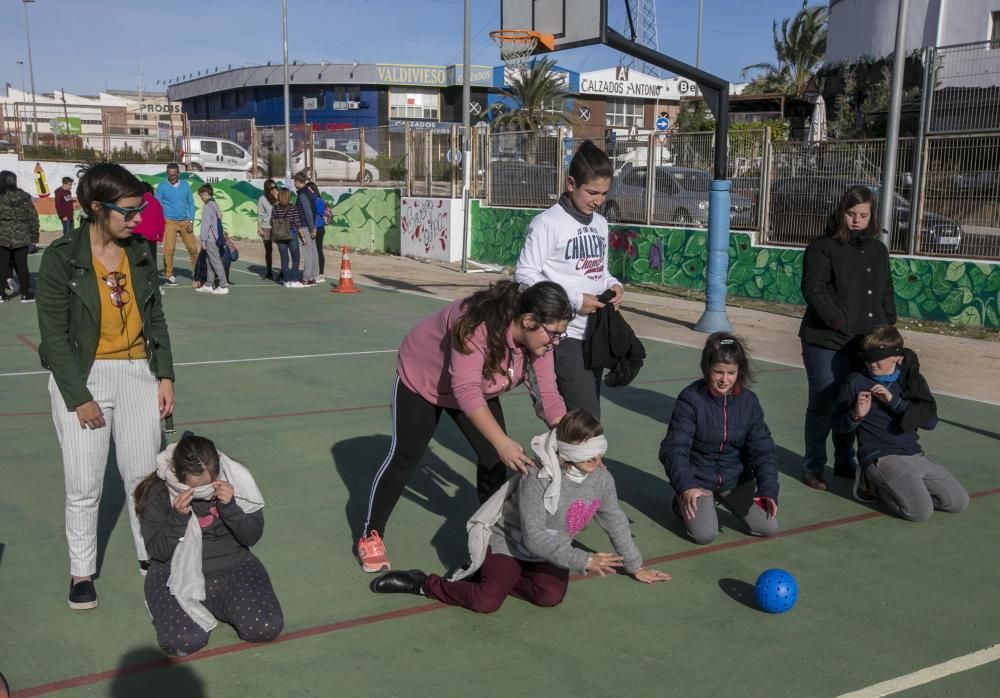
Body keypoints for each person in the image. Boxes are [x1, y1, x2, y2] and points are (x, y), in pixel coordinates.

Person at [357, 280, 574, 573]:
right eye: (554, 334)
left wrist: (571, 441)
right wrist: (502, 441)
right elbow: (467, 391)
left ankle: (492, 534)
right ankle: (372, 533)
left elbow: (547, 393)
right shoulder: (476, 324)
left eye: (562, 334)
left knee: (494, 458)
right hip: (424, 379)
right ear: (528, 320)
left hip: (475, 387)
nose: (556, 342)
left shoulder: (541, 344)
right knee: (406, 456)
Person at [36, 161, 175, 610]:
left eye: (140, 209)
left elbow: (154, 317)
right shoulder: (61, 258)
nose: (138, 219)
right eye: (129, 211)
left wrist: (166, 374)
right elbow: (53, 337)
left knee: (143, 478)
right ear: (98, 208)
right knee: (84, 484)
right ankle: (82, 572)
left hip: (138, 372)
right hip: (83, 375)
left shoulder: (138, 253)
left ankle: (150, 558)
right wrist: (79, 397)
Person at [370, 409, 672, 612]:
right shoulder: (538, 478)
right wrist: (584, 559)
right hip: (510, 543)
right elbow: (534, 537)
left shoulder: (602, 479)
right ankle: (424, 582)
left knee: (550, 597)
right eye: (588, 452)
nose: (597, 460)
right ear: (567, 451)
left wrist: (635, 566)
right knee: (487, 602)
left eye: (599, 451)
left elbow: (615, 520)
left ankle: (491, 577)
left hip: (549, 550)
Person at [135, 433, 283, 656]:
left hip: (234, 568)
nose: (206, 491)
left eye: (211, 484)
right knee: (183, 641)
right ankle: (165, 604)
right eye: (197, 488)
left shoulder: (236, 479)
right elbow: (157, 552)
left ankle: (221, 604)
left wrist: (231, 507)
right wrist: (177, 518)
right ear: (176, 473)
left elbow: (251, 537)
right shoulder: (158, 491)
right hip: (174, 574)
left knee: (264, 628)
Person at [514, 140, 622, 418]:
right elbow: (524, 275)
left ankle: (564, 461)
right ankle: (580, 461)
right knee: (586, 417)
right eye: (592, 192)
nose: (598, 201)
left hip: (596, 332)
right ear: (571, 183)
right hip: (565, 335)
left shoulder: (600, 222)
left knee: (579, 417)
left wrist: (614, 284)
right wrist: (574, 300)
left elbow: (598, 270)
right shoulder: (547, 223)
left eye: (604, 193)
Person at [799, 185, 896, 491]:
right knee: (824, 401)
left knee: (854, 399)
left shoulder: (878, 250)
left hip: (864, 340)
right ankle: (814, 466)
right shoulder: (823, 247)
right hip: (826, 339)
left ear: (872, 216)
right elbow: (813, 289)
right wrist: (839, 321)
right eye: (851, 213)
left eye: (863, 215)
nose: (856, 220)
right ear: (842, 213)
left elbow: (885, 289)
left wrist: (888, 323)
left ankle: (845, 461)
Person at [834, 325, 968, 521]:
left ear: (896, 357)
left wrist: (894, 402)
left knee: (957, 502)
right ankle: (870, 484)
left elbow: (930, 422)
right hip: (881, 456)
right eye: (868, 358)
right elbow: (837, 425)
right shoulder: (856, 381)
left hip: (914, 454)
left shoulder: (910, 379)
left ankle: (906, 488)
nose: (873, 364)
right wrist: (856, 414)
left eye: (879, 358)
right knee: (920, 512)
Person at [659, 333, 779, 545]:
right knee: (704, 535)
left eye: (731, 373)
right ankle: (681, 501)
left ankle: (723, 496)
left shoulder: (748, 402)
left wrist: (768, 490)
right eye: (718, 372)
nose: (725, 379)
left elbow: (764, 450)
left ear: (739, 370)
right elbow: (674, 449)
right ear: (707, 369)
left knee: (768, 527)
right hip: (699, 479)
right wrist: (686, 485)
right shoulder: (690, 399)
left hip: (735, 478)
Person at [0, 170, 40, 303]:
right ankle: (25, 294)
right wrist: (35, 235)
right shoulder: (24, 197)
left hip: (2, 236)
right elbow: (32, 217)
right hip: (21, 237)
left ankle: (1, 295)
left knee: (2, 266)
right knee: (22, 266)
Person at [155, 163, 197, 286]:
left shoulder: (185, 186)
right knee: (169, 249)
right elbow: (157, 204)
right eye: (169, 174)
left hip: (185, 222)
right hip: (169, 222)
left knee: (193, 249)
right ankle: (169, 275)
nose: (171, 177)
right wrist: (161, 220)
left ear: (178, 173)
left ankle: (198, 273)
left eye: (174, 175)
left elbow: (191, 203)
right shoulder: (162, 186)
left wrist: (191, 220)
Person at [195, 184, 229, 295]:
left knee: (215, 261)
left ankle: (224, 285)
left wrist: (203, 241)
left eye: (201, 195)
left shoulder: (207, 207)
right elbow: (220, 217)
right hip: (217, 238)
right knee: (209, 261)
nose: (201, 198)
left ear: (206, 194)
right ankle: (208, 284)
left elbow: (205, 225)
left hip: (210, 239)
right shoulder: (215, 204)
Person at [269, 188, 303, 288]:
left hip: (279, 235)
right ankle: (294, 279)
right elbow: (297, 223)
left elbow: (271, 221)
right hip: (292, 234)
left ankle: (286, 280)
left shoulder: (275, 208)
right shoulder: (293, 208)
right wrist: (303, 237)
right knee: (295, 258)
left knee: (284, 259)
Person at [292, 172, 319, 286]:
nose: (294, 183)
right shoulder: (310, 192)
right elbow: (313, 211)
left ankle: (307, 277)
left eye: (295, 181)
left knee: (307, 251)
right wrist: (314, 226)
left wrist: (312, 227)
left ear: (299, 181)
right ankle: (313, 276)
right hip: (310, 225)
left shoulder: (302, 194)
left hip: (305, 226)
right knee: (313, 251)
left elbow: (307, 212)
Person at [132, 182, 165, 267]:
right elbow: (161, 221)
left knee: (135, 259)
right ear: (150, 190)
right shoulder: (155, 201)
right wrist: (160, 237)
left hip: (136, 234)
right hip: (151, 236)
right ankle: (152, 277)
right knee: (152, 259)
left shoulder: (134, 199)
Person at [257, 178, 277, 280]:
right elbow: (260, 214)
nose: (274, 189)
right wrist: (259, 228)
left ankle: (283, 272)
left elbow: (287, 206)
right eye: (271, 188)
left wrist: (278, 198)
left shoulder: (279, 197)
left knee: (283, 249)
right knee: (268, 250)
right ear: (267, 189)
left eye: (275, 187)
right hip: (266, 227)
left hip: (279, 227)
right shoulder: (262, 199)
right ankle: (269, 271)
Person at [306, 180, 326, 281]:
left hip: (318, 228)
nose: (307, 192)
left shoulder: (318, 200)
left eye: (309, 190)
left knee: (318, 250)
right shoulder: (311, 200)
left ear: (314, 190)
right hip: (311, 228)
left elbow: (319, 212)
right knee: (312, 250)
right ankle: (313, 272)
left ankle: (321, 273)